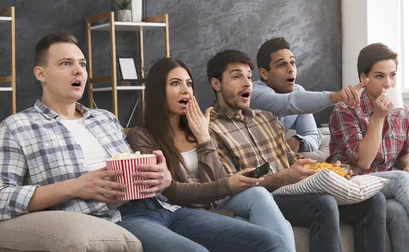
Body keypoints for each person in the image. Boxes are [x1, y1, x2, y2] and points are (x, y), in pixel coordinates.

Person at [0, 32, 287, 252]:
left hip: (161, 207)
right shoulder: (18, 127)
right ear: (41, 74)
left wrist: (160, 175)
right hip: (120, 217)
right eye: (66, 64)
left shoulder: (105, 119)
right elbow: (2, 198)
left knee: (270, 242)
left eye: (82, 64)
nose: (79, 71)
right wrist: (75, 186)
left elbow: (138, 169)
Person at [207, 49, 387, 252]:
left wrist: (326, 170)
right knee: (323, 203)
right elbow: (230, 184)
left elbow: (290, 157)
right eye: (236, 76)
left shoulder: (266, 118)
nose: (247, 82)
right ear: (216, 84)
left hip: (292, 190)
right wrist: (282, 177)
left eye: (249, 76)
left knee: (373, 200)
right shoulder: (211, 129)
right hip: (265, 197)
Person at [126, 57, 295, 251]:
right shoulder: (141, 136)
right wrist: (225, 186)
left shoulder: (197, 127)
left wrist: (204, 138)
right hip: (186, 209)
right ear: (158, 92)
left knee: (258, 193)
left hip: (214, 199)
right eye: (175, 83)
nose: (185, 90)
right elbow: (167, 191)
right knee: (269, 229)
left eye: (189, 84)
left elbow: (217, 178)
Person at [326, 43, 409, 252]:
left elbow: (403, 154)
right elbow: (364, 160)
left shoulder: (402, 113)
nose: (388, 83)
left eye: (393, 75)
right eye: (380, 76)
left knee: (398, 210)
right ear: (364, 78)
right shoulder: (345, 110)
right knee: (400, 179)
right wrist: (379, 116)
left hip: (381, 189)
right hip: (349, 184)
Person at [250, 37, 366, 156]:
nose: (291, 69)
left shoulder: (298, 92)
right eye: (281, 65)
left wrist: (299, 141)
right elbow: (285, 104)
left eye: (292, 63)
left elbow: (312, 135)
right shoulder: (253, 93)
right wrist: (335, 97)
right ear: (264, 73)